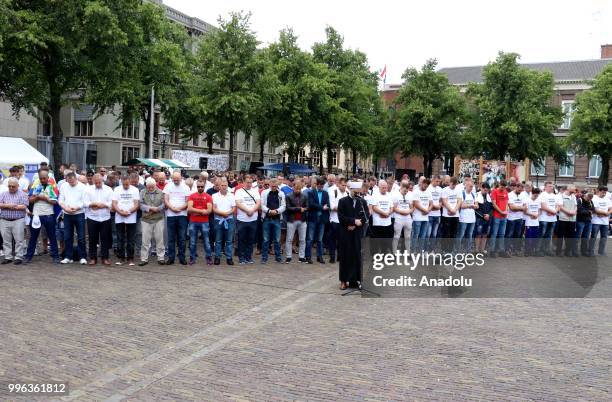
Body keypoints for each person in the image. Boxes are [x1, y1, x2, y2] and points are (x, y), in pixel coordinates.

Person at [337, 180, 369, 290]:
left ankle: (356, 280)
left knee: (357, 255)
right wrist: (352, 222)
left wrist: (356, 224)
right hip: (346, 232)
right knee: (345, 256)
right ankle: (343, 280)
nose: (357, 194)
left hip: (357, 233)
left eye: (358, 192)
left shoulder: (362, 202)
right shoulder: (342, 201)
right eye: (355, 192)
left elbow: (366, 216)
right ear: (350, 190)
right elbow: (341, 217)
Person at [24, 169, 60, 264]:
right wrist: (37, 197)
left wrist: (46, 198)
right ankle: (28, 256)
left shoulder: (53, 187)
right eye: (41, 178)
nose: (42, 180)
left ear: (48, 178)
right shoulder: (35, 186)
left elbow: (55, 202)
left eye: (44, 178)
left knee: (52, 237)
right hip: (36, 215)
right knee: (33, 237)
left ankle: (55, 256)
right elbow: (30, 200)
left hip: (49, 214)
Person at [58, 172, 88, 264]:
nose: (71, 183)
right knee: (67, 236)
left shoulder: (83, 187)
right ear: (67, 180)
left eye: (72, 182)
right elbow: (60, 199)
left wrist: (77, 207)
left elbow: (85, 201)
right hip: (67, 214)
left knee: (81, 237)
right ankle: (68, 256)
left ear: (76, 179)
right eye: (69, 182)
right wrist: (65, 208)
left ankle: (82, 256)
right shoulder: (64, 186)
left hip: (79, 213)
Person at [83, 174, 113, 265]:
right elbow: (85, 202)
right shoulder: (88, 189)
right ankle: (93, 258)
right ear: (92, 181)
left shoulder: (108, 189)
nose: (98, 184)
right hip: (92, 217)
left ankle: (105, 258)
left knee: (105, 239)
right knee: (92, 238)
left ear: (102, 181)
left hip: (105, 217)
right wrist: (93, 204)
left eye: (99, 182)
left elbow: (112, 203)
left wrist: (102, 205)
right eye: (96, 183)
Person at [112, 174, 140, 266]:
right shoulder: (117, 189)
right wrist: (120, 211)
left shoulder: (135, 190)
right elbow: (114, 203)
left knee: (131, 238)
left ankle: (130, 258)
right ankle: (121, 257)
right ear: (121, 182)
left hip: (131, 217)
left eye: (127, 184)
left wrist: (129, 211)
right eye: (124, 184)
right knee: (120, 238)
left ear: (130, 181)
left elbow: (136, 204)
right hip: (119, 217)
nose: (126, 186)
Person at [163, 171, 190, 265]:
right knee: (171, 238)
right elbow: (165, 199)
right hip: (170, 215)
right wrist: (171, 208)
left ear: (181, 178)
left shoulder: (186, 187)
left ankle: (182, 257)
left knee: (182, 238)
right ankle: (171, 257)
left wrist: (180, 208)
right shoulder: (168, 186)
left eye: (177, 179)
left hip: (182, 215)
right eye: (174, 179)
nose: (176, 181)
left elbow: (187, 201)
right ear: (172, 178)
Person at [0, 178, 29, 264]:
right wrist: (8, 205)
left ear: (18, 186)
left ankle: (18, 257)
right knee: (6, 240)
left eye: (13, 186)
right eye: (9, 186)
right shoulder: (3, 194)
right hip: (4, 220)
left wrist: (13, 206)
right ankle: (7, 256)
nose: (11, 188)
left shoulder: (23, 194)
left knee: (19, 240)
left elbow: (24, 206)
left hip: (18, 220)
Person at [234, 175, 261, 264]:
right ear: (244, 182)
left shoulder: (255, 191)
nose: (249, 184)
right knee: (241, 239)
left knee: (251, 239)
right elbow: (238, 203)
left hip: (253, 219)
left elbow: (258, 203)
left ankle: (248, 257)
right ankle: (241, 258)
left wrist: (252, 210)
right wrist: (247, 210)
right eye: (247, 182)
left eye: (250, 182)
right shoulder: (239, 191)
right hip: (242, 219)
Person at [139, 177, 166, 266]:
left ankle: (161, 257)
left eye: (152, 187)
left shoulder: (161, 192)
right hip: (146, 219)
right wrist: (149, 208)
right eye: (148, 187)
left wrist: (158, 208)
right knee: (145, 240)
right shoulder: (142, 192)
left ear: (155, 185)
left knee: (159, 239)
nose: (150, 188)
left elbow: (164, 203)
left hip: (158, 218)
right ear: (146, 186)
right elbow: (140, 204)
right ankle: (144, 258)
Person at [187, 180, 213, 265]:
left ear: (204, 186)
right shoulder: (192, 196)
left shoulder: (208, 196)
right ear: (196, 186)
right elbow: (189, 209)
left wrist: (196, 211)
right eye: (198, 186)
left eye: (202, 186)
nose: (200, 188)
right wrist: (202, 211)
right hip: (193, 221)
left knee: (206, 241)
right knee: (192, 241)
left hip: (204, 222)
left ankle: (208, 258)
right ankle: (192, 258)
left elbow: (209, 211)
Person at [261, 178, 286, 264]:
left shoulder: (281, 194)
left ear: (277, 185)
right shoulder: (264, 193)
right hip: (267, 218)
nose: (273, 187)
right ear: (270, 185)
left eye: (275, 186)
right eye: (272, 186)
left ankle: (278, 257)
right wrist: (269, 211)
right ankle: (264, 258)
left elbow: (283, 206)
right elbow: (262, 205)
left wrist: (276, 211)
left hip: (277, 219)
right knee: (265, 239)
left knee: (277, 239)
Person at [305, 177, 330, 264]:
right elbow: (311, 204)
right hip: (312, 218)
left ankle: (320, 256)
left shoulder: (326, 193)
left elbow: (328, 204)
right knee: (310, 238)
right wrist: (322, 207)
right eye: (319, 185)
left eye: (322, 185)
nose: (321, 187)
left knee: (320, 239)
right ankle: (308, 256)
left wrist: (323, 207)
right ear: (316, 185)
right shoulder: (311, 192)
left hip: (322, 219)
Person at [212, 177, 236, 265]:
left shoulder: (232, 195)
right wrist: (222, 213)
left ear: (227, 186)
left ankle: (229, 258)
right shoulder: (214, 196)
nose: (224, 187)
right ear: (219, 186)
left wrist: (227, 214)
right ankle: (217, 257)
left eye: (225, 185)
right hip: (218, 219)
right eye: (222, 185)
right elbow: (214, 208)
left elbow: (234, 208)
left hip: (229, 219)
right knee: (218, 240)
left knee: (229, 240)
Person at [285, 180, 308, 263]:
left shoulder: (305, 196)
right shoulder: (288, 196)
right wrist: (299, 209)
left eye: (299, 189)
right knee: (289, 239)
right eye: (296, 189)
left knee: (302, 239)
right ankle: (288, 256)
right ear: (293, 188)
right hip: (292, 220)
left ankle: (301, 256)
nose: (298, 190)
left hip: (302, 220)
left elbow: (307, 207)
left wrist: (304, 209)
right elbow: (288, 208)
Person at [327, 177, 348, 263]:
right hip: (334, 220)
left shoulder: (347, 193)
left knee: (342, 240)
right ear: (338, 184)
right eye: (343, 185)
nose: (344, 187)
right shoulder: (333, 192)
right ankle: (332, 257)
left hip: (343, 221)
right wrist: (343, 209)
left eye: (345, 185)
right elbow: (332, 207)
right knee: (332, 240)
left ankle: (340, 256)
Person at [538, 181, 561, 256]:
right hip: (544, 219)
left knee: (549, 235)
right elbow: (543, 206)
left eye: (552, 186)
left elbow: (558, 206)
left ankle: (547, 250)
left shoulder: (555, 196)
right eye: (549, 186)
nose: (551, 187)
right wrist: (553, 211)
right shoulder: (542, 195)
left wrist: (554, 211)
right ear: (545, 187)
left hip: (552, 219)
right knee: (542, 235)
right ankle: (539, 250)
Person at [455, 178, 478, 253]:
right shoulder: (462, 193)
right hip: (463, 218)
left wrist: (471, 205)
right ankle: (457, 251)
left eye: (472, 186)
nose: (471, 188)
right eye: (470, 186)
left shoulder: (473, 194)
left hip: (472, 218)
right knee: (461, 235)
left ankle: (468, 251)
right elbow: (461, 205)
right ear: (466, 186)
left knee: (470, 235)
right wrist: (471, 205)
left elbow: (477, 205)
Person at [488, 180, 510, 258]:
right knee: (494, 234)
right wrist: (501, 211)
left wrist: (506, 211)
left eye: (504, 187)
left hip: (504, 217)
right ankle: (492, 251)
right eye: (501, 186)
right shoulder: (494, 192)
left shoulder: (506, 192)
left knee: (502, 234)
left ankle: (501, 250)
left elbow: (507, 203)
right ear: (499, 185)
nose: (502, 188)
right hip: (496, 216)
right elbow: (494, 204)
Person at [411, 178, 433, 252]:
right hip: (417, 218)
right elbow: (416, 204)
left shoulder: (428, 192)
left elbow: (431, 204)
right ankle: (413, 252)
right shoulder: (416, 191)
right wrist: (425, 210)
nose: (425, 187)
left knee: (423, 237)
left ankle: (420, 252)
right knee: (415, 236)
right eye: (424, 186)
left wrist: (428, 210)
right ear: (422, 183)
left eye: (427, 186)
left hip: (425, 218)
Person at [440, 177, 462, 252]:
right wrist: (451, 209)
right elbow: (444, 201)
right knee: (446, 233)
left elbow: (459, 201)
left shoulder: (458, 190)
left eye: (455, 185)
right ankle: (444, 250)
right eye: (452, 185)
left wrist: (455, 210)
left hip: (455, 215)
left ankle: (450, 250)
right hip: (447, 215)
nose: (454, 186)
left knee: (453, 234)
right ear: (450, 183)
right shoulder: (445, 190)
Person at [555, 185, 578, 257]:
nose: (575, 189)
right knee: (560, 235)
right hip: (563, 219)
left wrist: (574, 212)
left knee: (570, 236)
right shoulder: (560, 196)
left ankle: (567, 251)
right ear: (568, 188)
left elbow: (575, 206)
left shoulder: (573, 196)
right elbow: (560, 207)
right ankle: (558, 252)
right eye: (574, 188)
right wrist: (569, 212)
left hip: (572, 219)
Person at [589, 186, 611, 257]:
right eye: (603, 192)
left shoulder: (607, 199)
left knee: (604, 237)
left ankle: (601, 251)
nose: (604, 194)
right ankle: (591, 251)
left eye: (605, 192)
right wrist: (605, 213)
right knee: (593, 237)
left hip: (605, 222)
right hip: (596, 222)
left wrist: (606, 214)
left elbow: (610, 208)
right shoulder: (594, 198)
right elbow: (594, 210)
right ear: (598, 191)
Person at [392, 180, 413, 252]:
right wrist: (402, 212)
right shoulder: (396, 195)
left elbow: (412, 207)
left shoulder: (409, 195)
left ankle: (408, 252)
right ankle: (394, 252)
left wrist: (409, 212)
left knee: (408, 237)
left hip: (408, 218)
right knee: (396, 236)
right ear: (401, 187)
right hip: (399, 218)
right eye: (405, 190)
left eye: (407, 191)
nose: (406, 192)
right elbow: (394, 208)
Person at [506, 182, 526, 255]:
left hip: (520, 218)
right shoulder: (510, 195)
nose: (520, 192)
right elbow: (511, 208)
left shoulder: (522, 195)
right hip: (511, 218)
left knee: (517, 235)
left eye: (521, 190)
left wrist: (517, 208)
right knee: (509, 235)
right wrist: (521, 208)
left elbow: (525, 207)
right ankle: (507, 250)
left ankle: (515, 250)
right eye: (519, 190)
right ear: (516, 187)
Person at [474, 183, 493, 254]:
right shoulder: (476, 195)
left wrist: (489, 215)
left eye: (487, 190)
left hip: (488, 218)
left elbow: (491, 208)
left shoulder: (488, 196)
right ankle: (476, 250)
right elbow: (476, 209)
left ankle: (482, 250)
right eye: (484, 190)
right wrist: (483, 216)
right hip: (480, 218)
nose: (486, 191)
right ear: (481, 188)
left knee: (485, 234)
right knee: (478, 234)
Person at [575, 191, 594, 257]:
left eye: (591, 198)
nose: (590, 199)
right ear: (585, 196)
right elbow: (579, 210)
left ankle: (584, 251)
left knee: (586, 237)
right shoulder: (579, 200)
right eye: (589, 198)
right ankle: (575, 251)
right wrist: (588, 211)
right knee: (577, 236)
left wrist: (587, 211)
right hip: (580, 221)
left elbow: (593, 209)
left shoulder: (591, 202)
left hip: (588, 221)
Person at [524, 188, 542, 256]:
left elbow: (540, 211)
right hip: (529, 222)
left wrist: (537, 215)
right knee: (528, 237)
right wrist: (532, 214)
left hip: (536, 222)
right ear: (532, 193)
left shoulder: (538, 200)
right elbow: (525, 211)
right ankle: (527, 251)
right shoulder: (527, 200)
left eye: (537, 195)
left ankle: (534, 250)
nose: (536, 197)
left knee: (535, 237)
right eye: (535, 195)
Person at [427, 175, 443, 250]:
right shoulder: (428, 188)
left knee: (434, 234)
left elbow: (440, 200)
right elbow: (428, 201)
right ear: (432, 180)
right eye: (437, 181)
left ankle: (432, 249)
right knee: (428, 233)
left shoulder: (440, 189)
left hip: (437, 214)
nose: (438, 183)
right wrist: (434, 207)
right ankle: (426, 249)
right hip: (430, 214)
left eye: (439, 182)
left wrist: (439, 206)